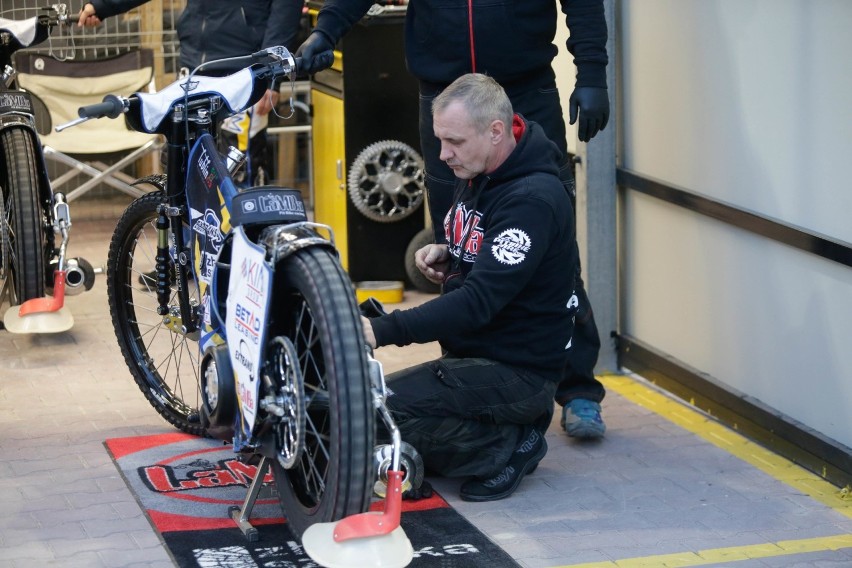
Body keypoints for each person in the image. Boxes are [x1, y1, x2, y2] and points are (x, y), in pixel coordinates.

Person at [298, 0, 610, 439]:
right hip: (447, 97)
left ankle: (577, 388)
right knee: (460, 249)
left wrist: (592, 71)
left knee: (553, 254)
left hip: (524, 89)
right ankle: (467, 380)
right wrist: (326, 30)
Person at [362, 73, 579, 501]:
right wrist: (453, 253)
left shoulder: (532, 198)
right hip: (476, 356)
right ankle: (498, 429)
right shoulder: (484, 167)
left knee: (369, 417)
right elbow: (491, 258)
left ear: (496, 131)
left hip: (517, 372)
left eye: (454, 141)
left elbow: (479, 302)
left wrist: (383, 329)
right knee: (362, 414)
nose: (443, 154)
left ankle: (505, 446)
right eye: (441, 139)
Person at [78, 0, 305, 185]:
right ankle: (185, 240)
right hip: (193, 68)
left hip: (245, 71)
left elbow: (287, 7)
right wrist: (102, 6)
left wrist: (271, 73)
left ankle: (239, 239)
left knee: (238, 169)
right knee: (181, 164)